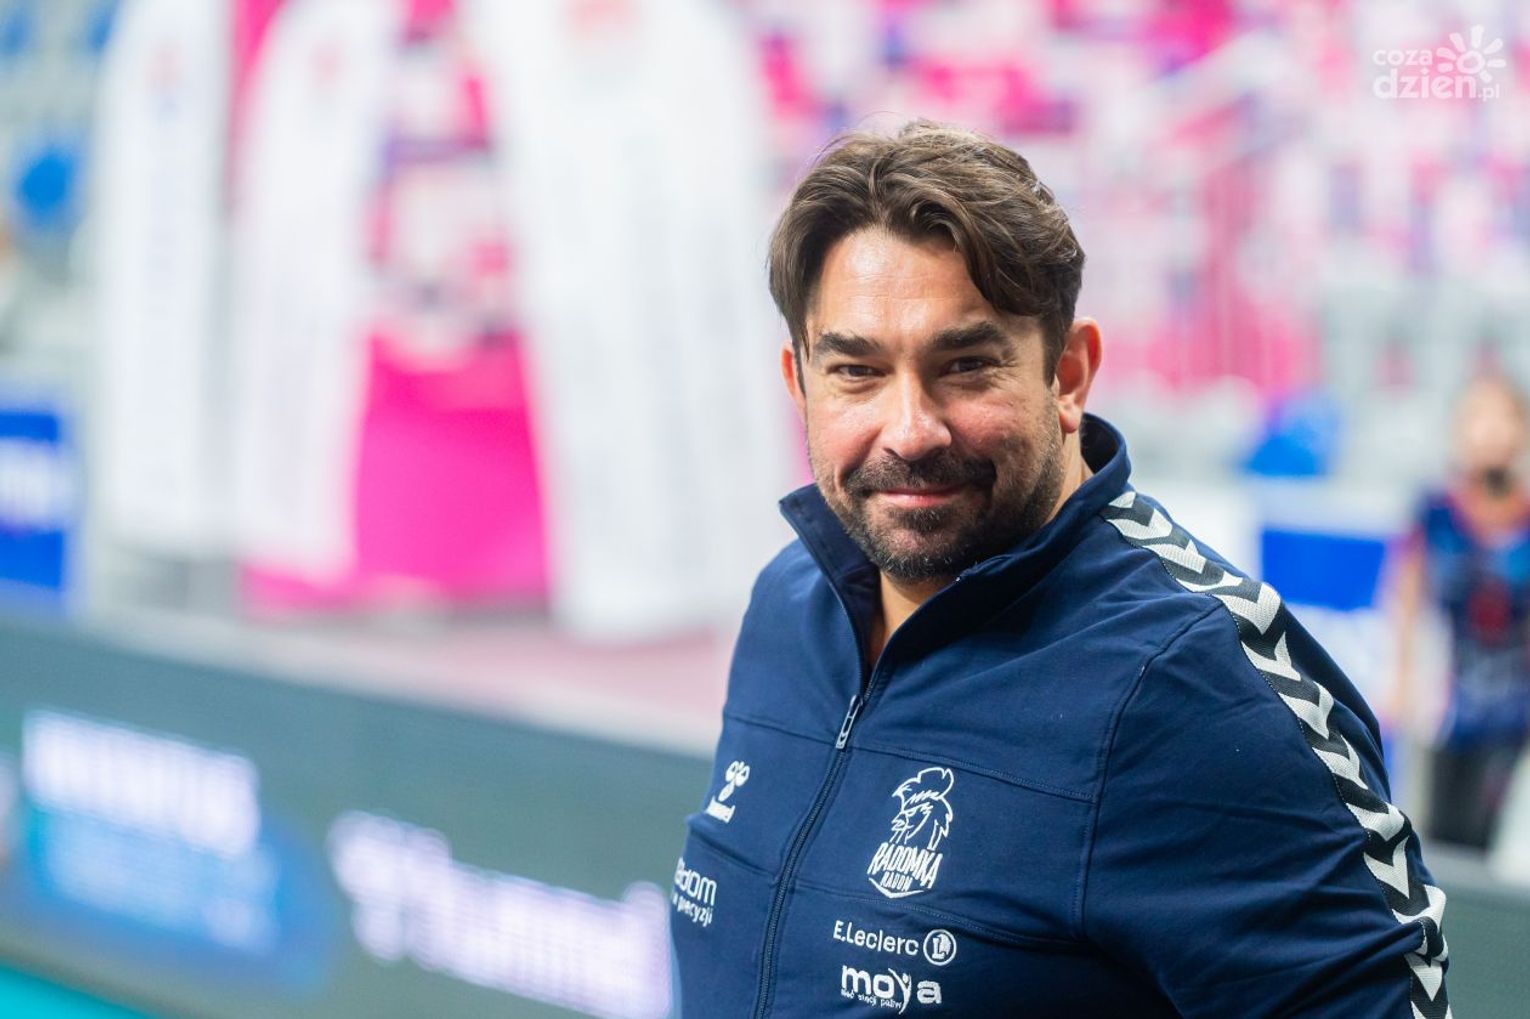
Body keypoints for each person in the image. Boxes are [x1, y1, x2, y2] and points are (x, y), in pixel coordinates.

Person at [670, 121, 1450, 1018]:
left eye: (966, 365)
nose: (911, 429)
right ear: (800, 381)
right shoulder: (788, 602)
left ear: (1069, 373)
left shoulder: (1196, 685)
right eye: (857, 370)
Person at [1393, 375, 1530, 851]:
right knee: (1434, 837)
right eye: (1477, 418)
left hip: (1514, 708)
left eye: (1502, 418)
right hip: (1447, 705)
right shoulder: (1436, 512)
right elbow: (1405, 597)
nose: (1489, 431)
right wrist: (1403, 680)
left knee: (1484, 840)